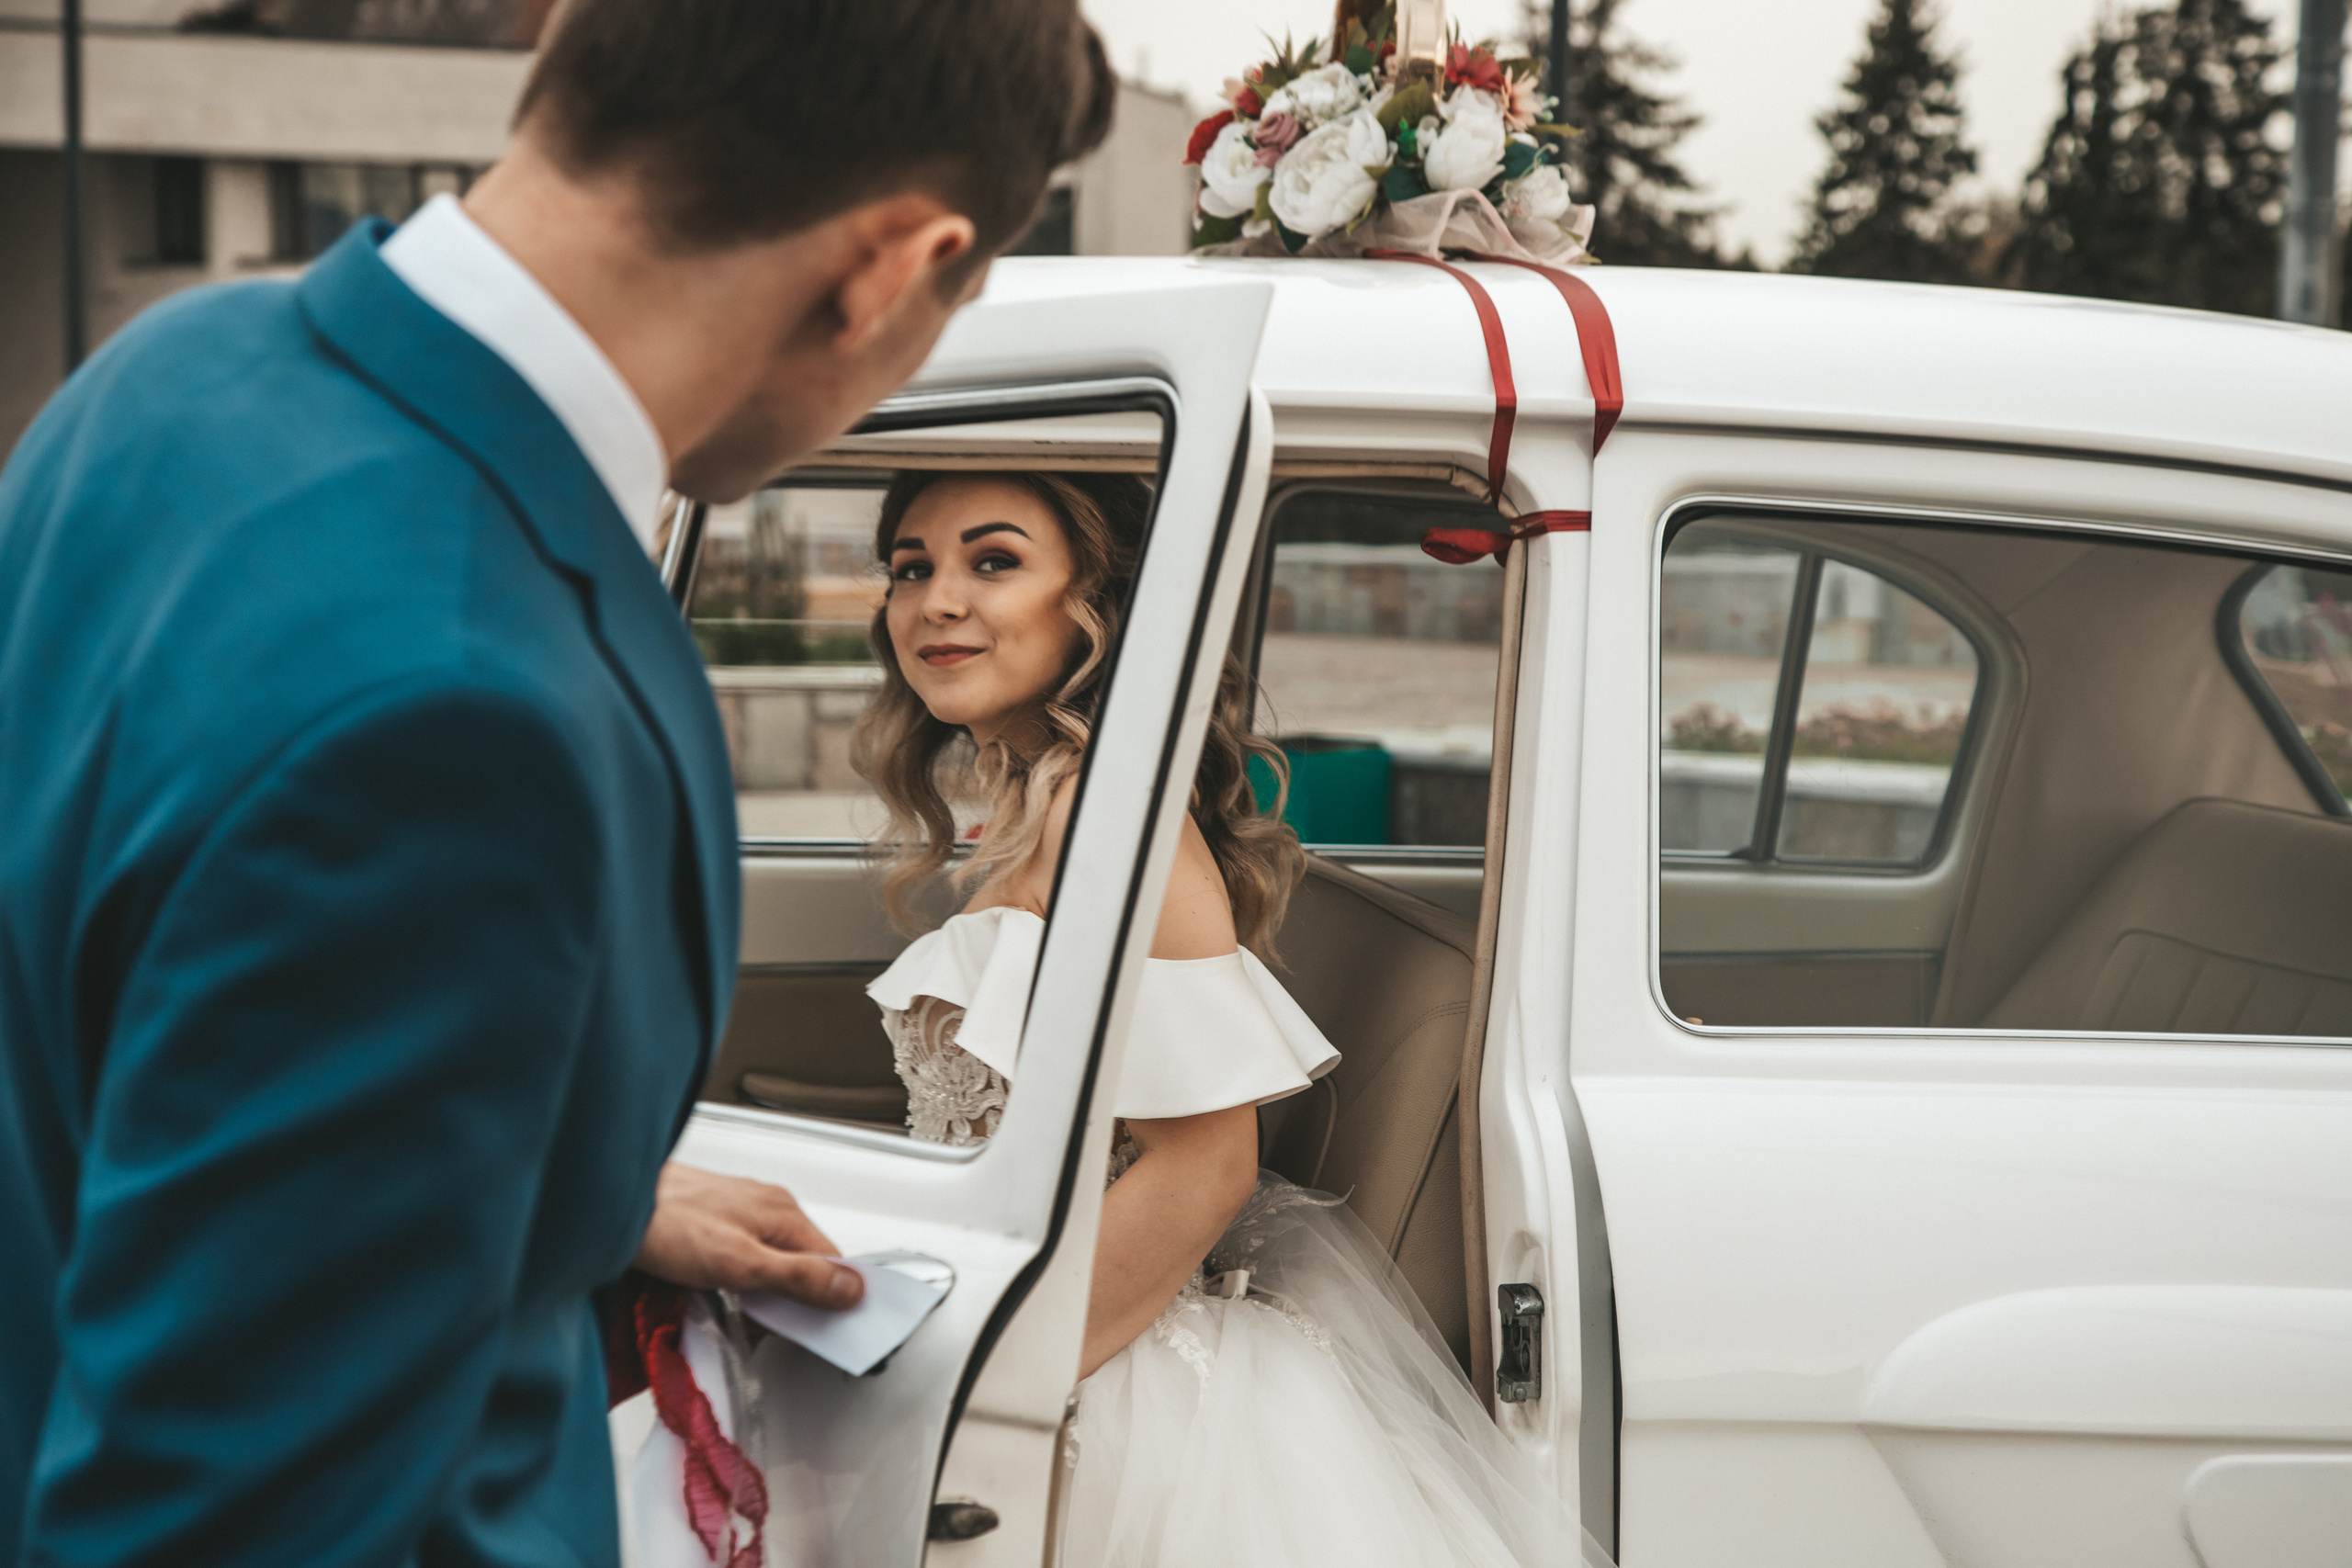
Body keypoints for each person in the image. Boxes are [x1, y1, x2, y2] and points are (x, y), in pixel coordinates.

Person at [0, 2, 1112, 1562]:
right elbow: (223, 1510)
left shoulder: (166, 372)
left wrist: (572, 1190)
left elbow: (138, 1029)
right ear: (889, 267)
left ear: (562, 55)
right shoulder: (471, 710)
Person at [841, 468, 1589, 1565]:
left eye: (992, 561)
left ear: (1097, 607)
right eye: (911, 567)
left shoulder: (1109, 812)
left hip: (1091, 1356)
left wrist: (992, 1389)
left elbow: (1205, 1164)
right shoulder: (1042, 796)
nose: (935, 601)